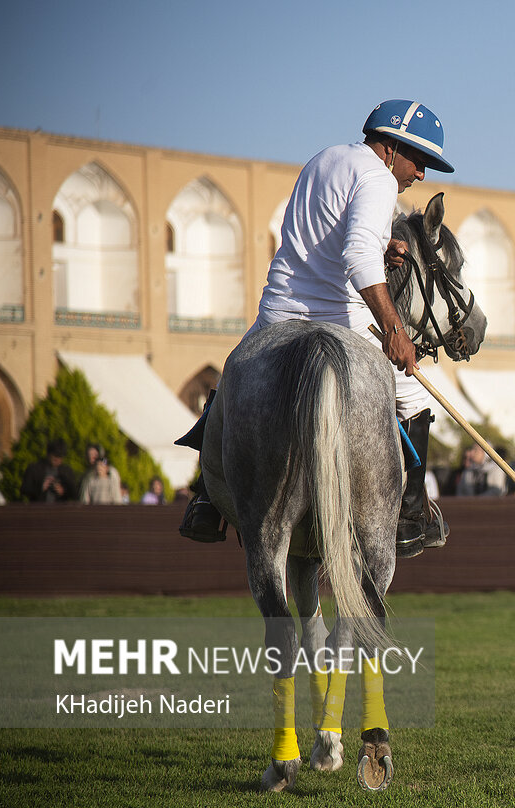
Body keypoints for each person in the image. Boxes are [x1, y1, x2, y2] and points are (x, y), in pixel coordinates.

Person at [177, 98, 456, 558]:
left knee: (232, 379)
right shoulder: (378, 179)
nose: (421, 174)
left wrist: (382, 243)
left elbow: (327, 231)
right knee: (416, 396)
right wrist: (394, 330)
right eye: (420, 159)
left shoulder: (323, 159)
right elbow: (357, 257)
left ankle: (205, 499)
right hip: (341, 317)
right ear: (390, 147)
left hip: (280, 311)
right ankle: (411, 513)